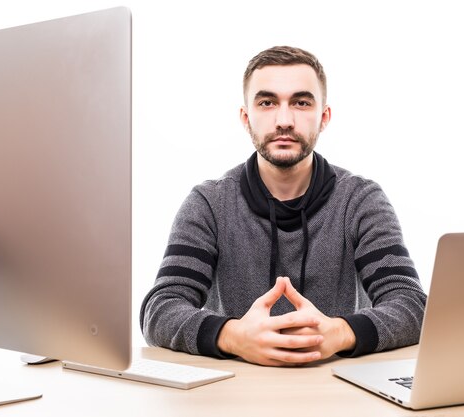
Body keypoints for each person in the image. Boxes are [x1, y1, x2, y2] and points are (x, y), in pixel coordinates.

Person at [140, 46, 427, 367]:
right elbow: (162, 308)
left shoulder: (361, 200)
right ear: (246, 117)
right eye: (267, 102)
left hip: (336, 391)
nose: (284, 120)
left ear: (324, 117)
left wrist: (340, 333)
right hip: (233, 392)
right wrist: (234, 336)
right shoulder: (208, 204)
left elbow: (411, 303)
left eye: (301, 103)